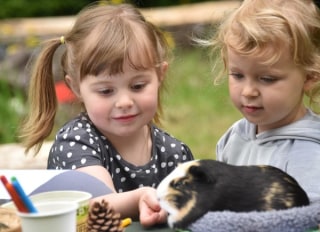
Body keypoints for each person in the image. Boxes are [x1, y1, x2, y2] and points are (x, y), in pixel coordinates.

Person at [19, 3, 193, 226]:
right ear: (76, 88)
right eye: (106, 91)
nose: (124, 102)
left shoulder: (174, 153)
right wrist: (140, 198)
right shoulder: (76, 143)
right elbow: (93, 204)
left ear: (160, 75)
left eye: (138, 86)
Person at [202, 0, 320, 202]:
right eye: (238, 75)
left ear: (309, 76)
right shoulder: (235, 137)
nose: (248, 92)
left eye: (267, 79)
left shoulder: (308, 154)